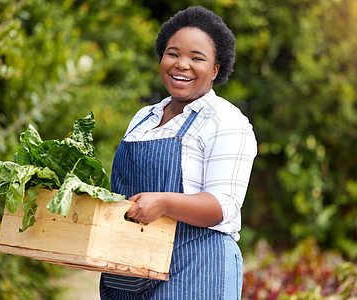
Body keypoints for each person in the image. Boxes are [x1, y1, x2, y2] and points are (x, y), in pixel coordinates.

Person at [100, 6, 257, 300]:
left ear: (215, 70)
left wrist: (163, 203)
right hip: (130, 267)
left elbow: (223, 206)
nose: (181, 64)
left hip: (196, 269)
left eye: (197, 58)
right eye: (173, 54)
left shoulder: (225, 120)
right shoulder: (144, 117)